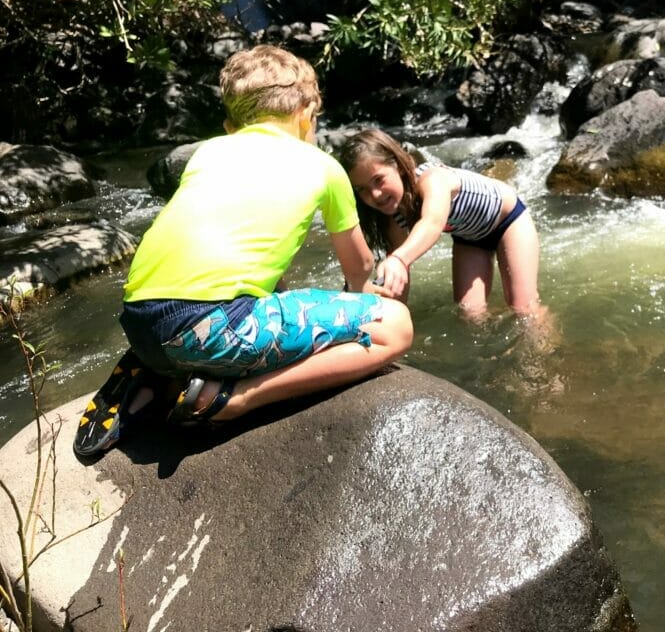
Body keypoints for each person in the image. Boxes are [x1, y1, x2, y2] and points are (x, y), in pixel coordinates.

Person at [74, 46, 413, 457]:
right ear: (307, 112)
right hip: (209, 328)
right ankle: (233, 398)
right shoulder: (322, 167)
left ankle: (153, 376)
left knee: (235, 313)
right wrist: (357, 321)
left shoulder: (208, 152)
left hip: (141, 320)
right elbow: (359, 269)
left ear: (231, 125)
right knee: (395, 324)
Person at [337, 128, 546, 323]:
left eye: (379, 180)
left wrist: (399, 259)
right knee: (470, 314)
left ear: (398, 166)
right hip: (470, 239)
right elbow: (400, 275)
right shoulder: (393, 215)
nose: (375, 194)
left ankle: (547, 349)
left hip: (509, 223)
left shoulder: (432, 179)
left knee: (523, 308)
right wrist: (391, 317)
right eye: (362, 189)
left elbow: (432, 223)